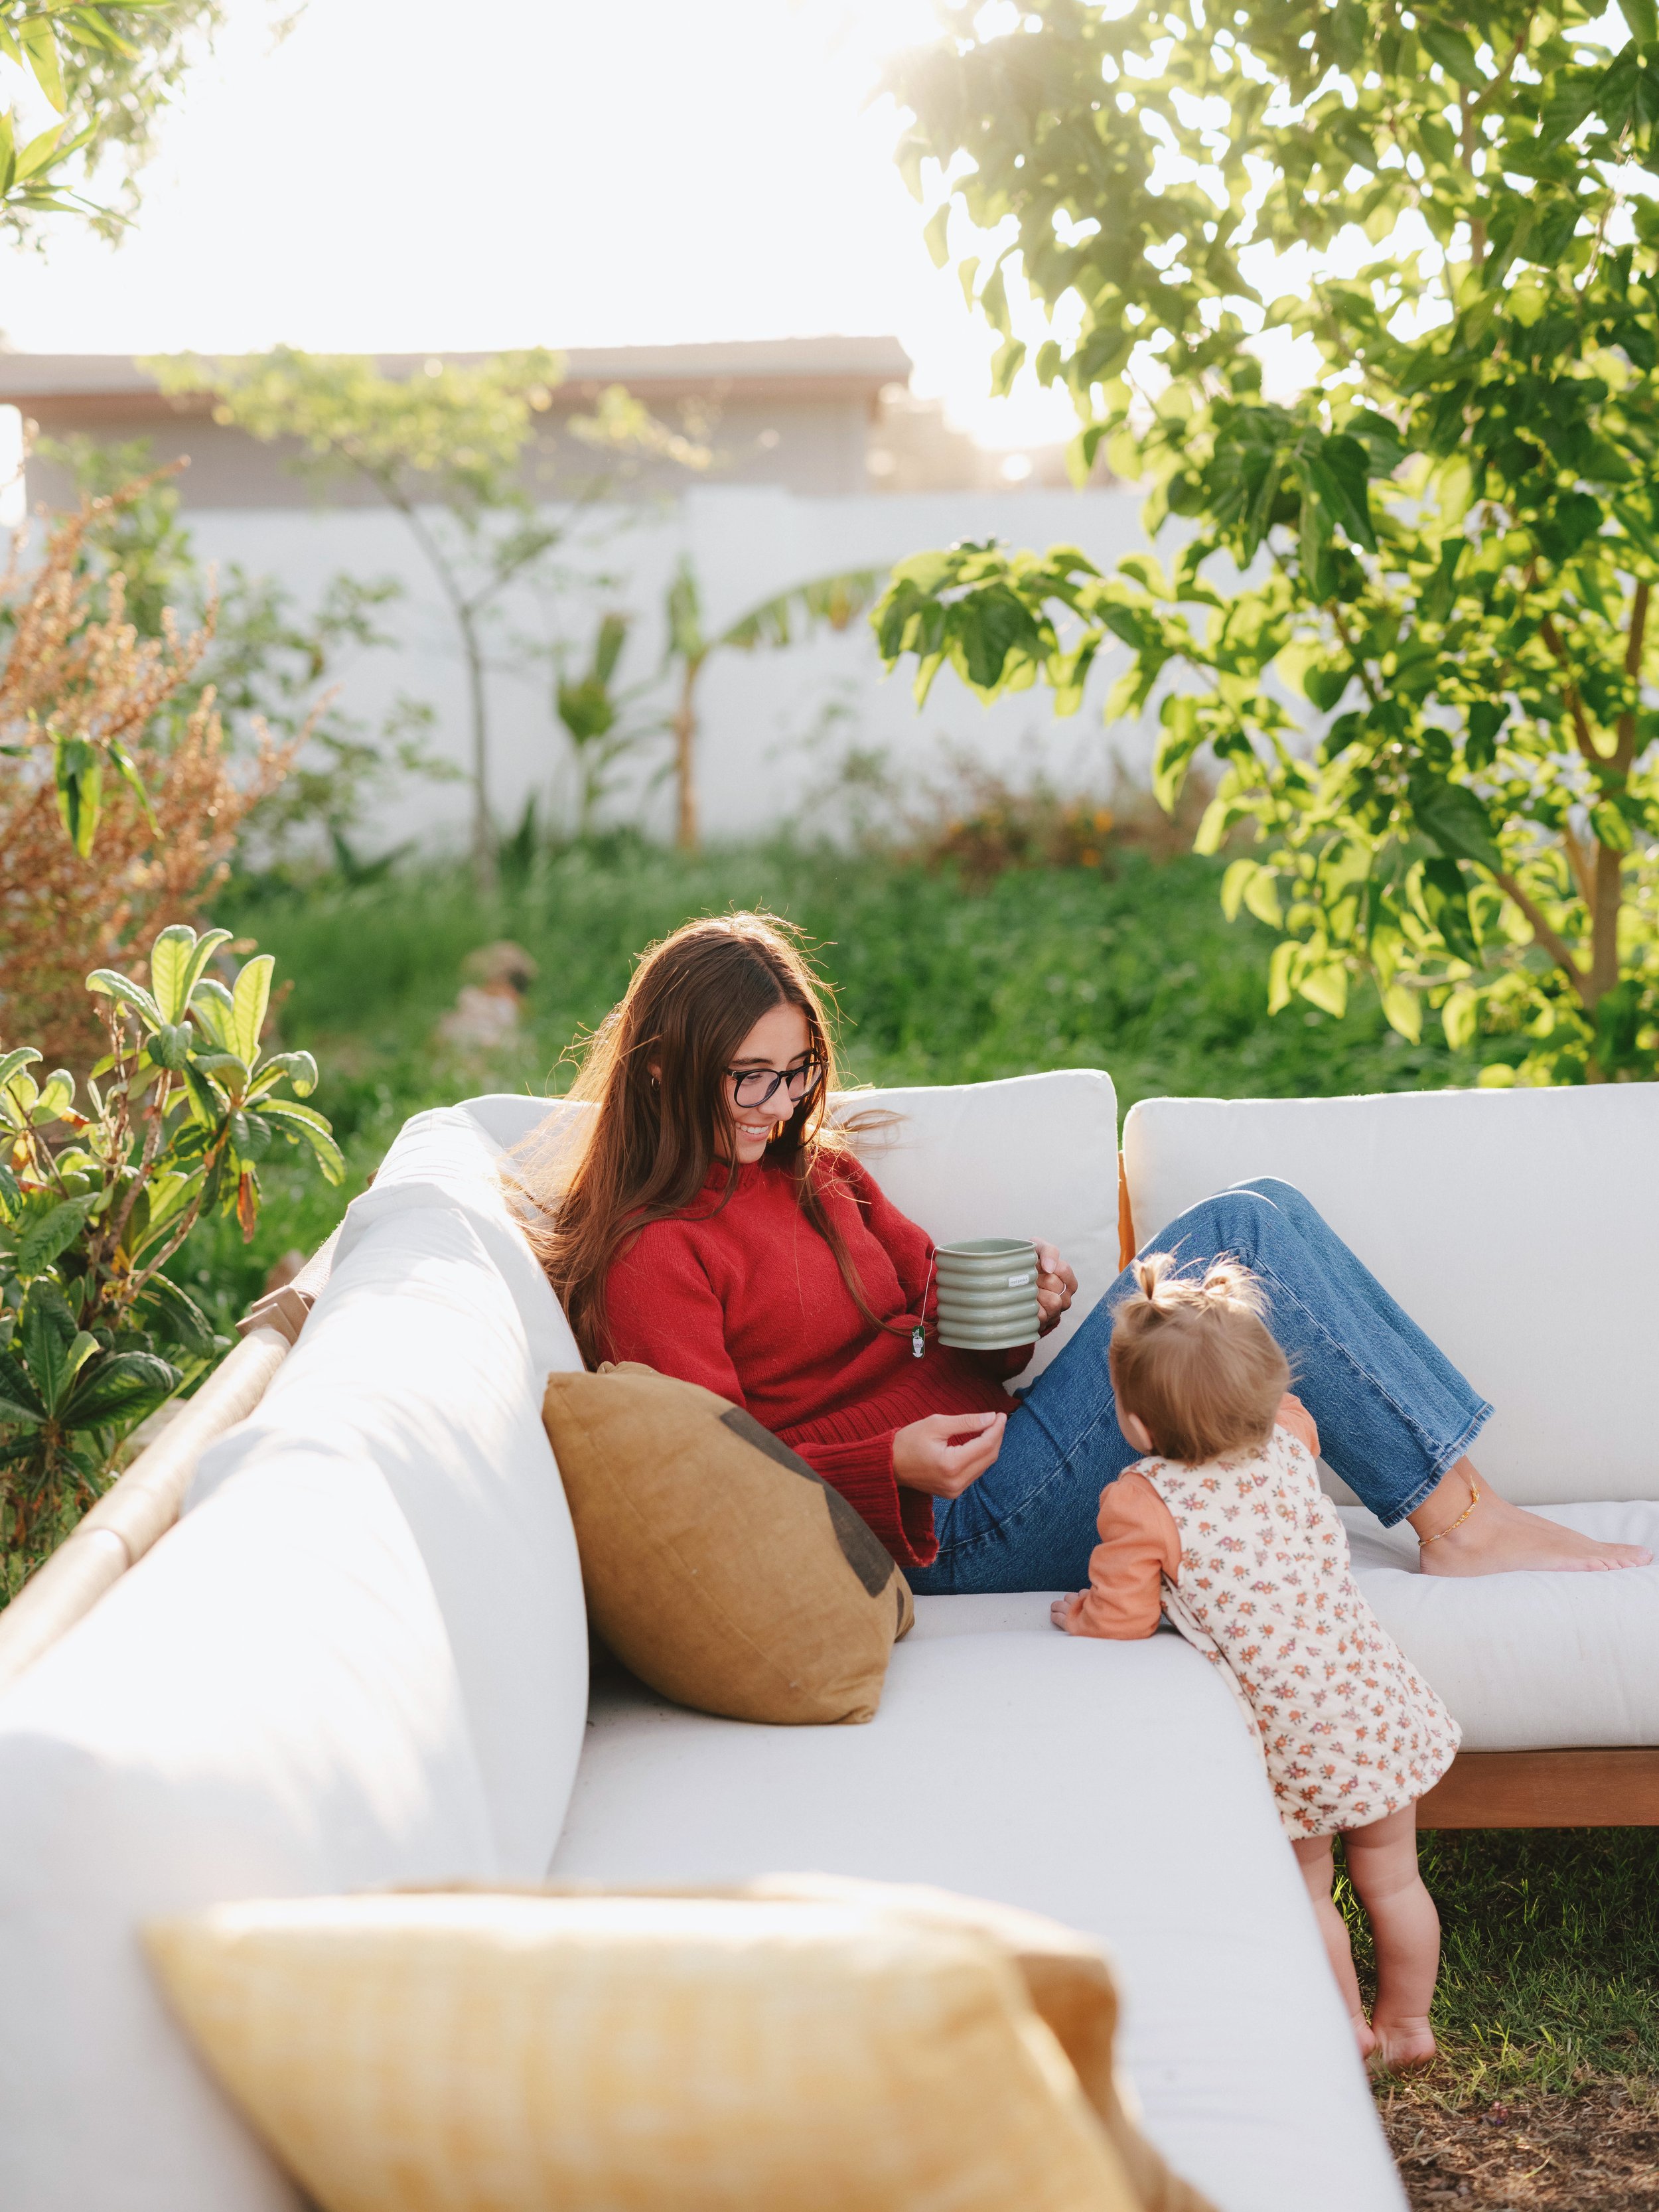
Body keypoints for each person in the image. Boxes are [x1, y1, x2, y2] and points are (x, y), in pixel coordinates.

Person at [520, 909, 1650, 1590]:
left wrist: (1028, 1312)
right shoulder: (655, 1255)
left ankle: (1468, 1507)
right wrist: (892, 1467)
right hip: (939, 1528)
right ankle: (1463, 1525)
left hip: (998, 1452)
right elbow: (709, 1477)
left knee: (1264, 1208)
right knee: (1238, 1234)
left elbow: (941, 1325)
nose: (782, 1100)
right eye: (751, 1076)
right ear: (663, 1067)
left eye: (799, 1066)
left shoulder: (816, 1173)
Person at [1053, 1252, 1457, 2063]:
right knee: (1395, 1882)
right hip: (1372, 1702)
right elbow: (1281, 1408)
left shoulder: (1143, 1501)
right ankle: (1410, 2027)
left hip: (1292, 1738)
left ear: (1134, 1425)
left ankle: (1346, 2031)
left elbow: (1124, 1618)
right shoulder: (1292, 1436)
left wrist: (1080, 1614)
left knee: (1310, 1892)